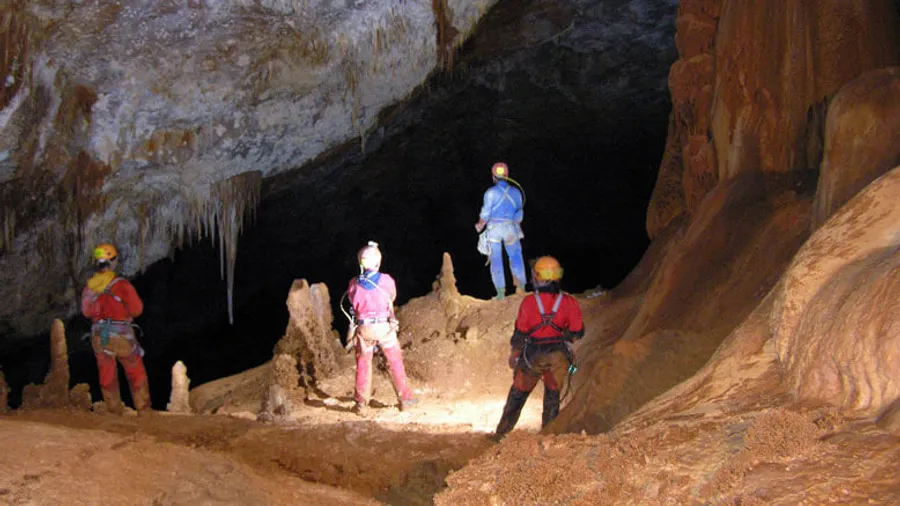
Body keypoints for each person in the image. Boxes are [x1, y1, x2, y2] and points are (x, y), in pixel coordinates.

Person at [494, 255, 584, 439]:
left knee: (518, 394)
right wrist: (561, 334)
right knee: (552, 396)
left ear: (538, 277)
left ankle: (501, 434)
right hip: (558, 355)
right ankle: (548, 436)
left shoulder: (529, 303)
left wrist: (515, 354)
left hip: (533, 354)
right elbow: (576, 333)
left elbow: (520, 333)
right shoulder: (569, 302)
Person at [346, 241, 417, 415]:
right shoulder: (386, 280)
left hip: (365, 328)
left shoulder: (354, 283)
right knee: (395, 361)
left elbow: (352, 303)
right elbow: (391, 297)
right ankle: (405, 399)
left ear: (360, 262)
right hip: (383, 327)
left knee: (363, 364)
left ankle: (361, 404)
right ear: (378, 261)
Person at [80, 243, 151, 414]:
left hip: (99, 336)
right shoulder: (122, 285)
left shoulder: (90, 287)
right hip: (120, 335)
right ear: (113, 262)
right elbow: (137, 309)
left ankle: (113, 409)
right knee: (135, 369)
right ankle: (144, 410)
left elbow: (86, 312)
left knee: (106, 371)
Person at [475, 161, 527, 300]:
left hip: (494, 229)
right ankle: (520, 288)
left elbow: (485, 213)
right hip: (510, 228)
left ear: (493, 177)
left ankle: (500, 293)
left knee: (496, 259)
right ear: (507, 175)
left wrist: (480, 225)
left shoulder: (490, 193)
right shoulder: (516, 192)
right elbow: (519, 214)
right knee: (515, 256)